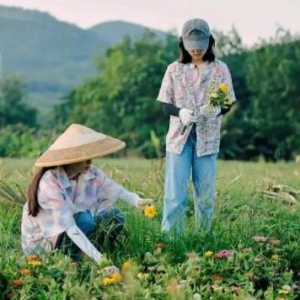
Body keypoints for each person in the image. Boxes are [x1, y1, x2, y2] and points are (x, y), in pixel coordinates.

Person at [21, 123, 153, 273]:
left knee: (114, 215)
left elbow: (114, 189)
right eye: (83, 156)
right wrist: (100, 260)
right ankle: (72, 264)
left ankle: (96, 254)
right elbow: (69, 226)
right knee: (84, 219)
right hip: (44, 244)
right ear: (70, 158)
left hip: (74, 229)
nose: (89, 160)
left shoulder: (89, 172)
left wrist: (137, 201)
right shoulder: (49, 181)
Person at [157, 18, 236, 234]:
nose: (197, 51)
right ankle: (173, 239)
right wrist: (180, 112)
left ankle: (204, 238)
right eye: (192, 47)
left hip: (207, 138)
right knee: (175, 194)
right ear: (183, 44)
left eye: (201, 47)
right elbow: (165, 104)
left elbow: (228, 101)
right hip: (179, 139)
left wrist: (217, 110)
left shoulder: (220, 69)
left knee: (205, 194)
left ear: (209, 42)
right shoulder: (174, 70)